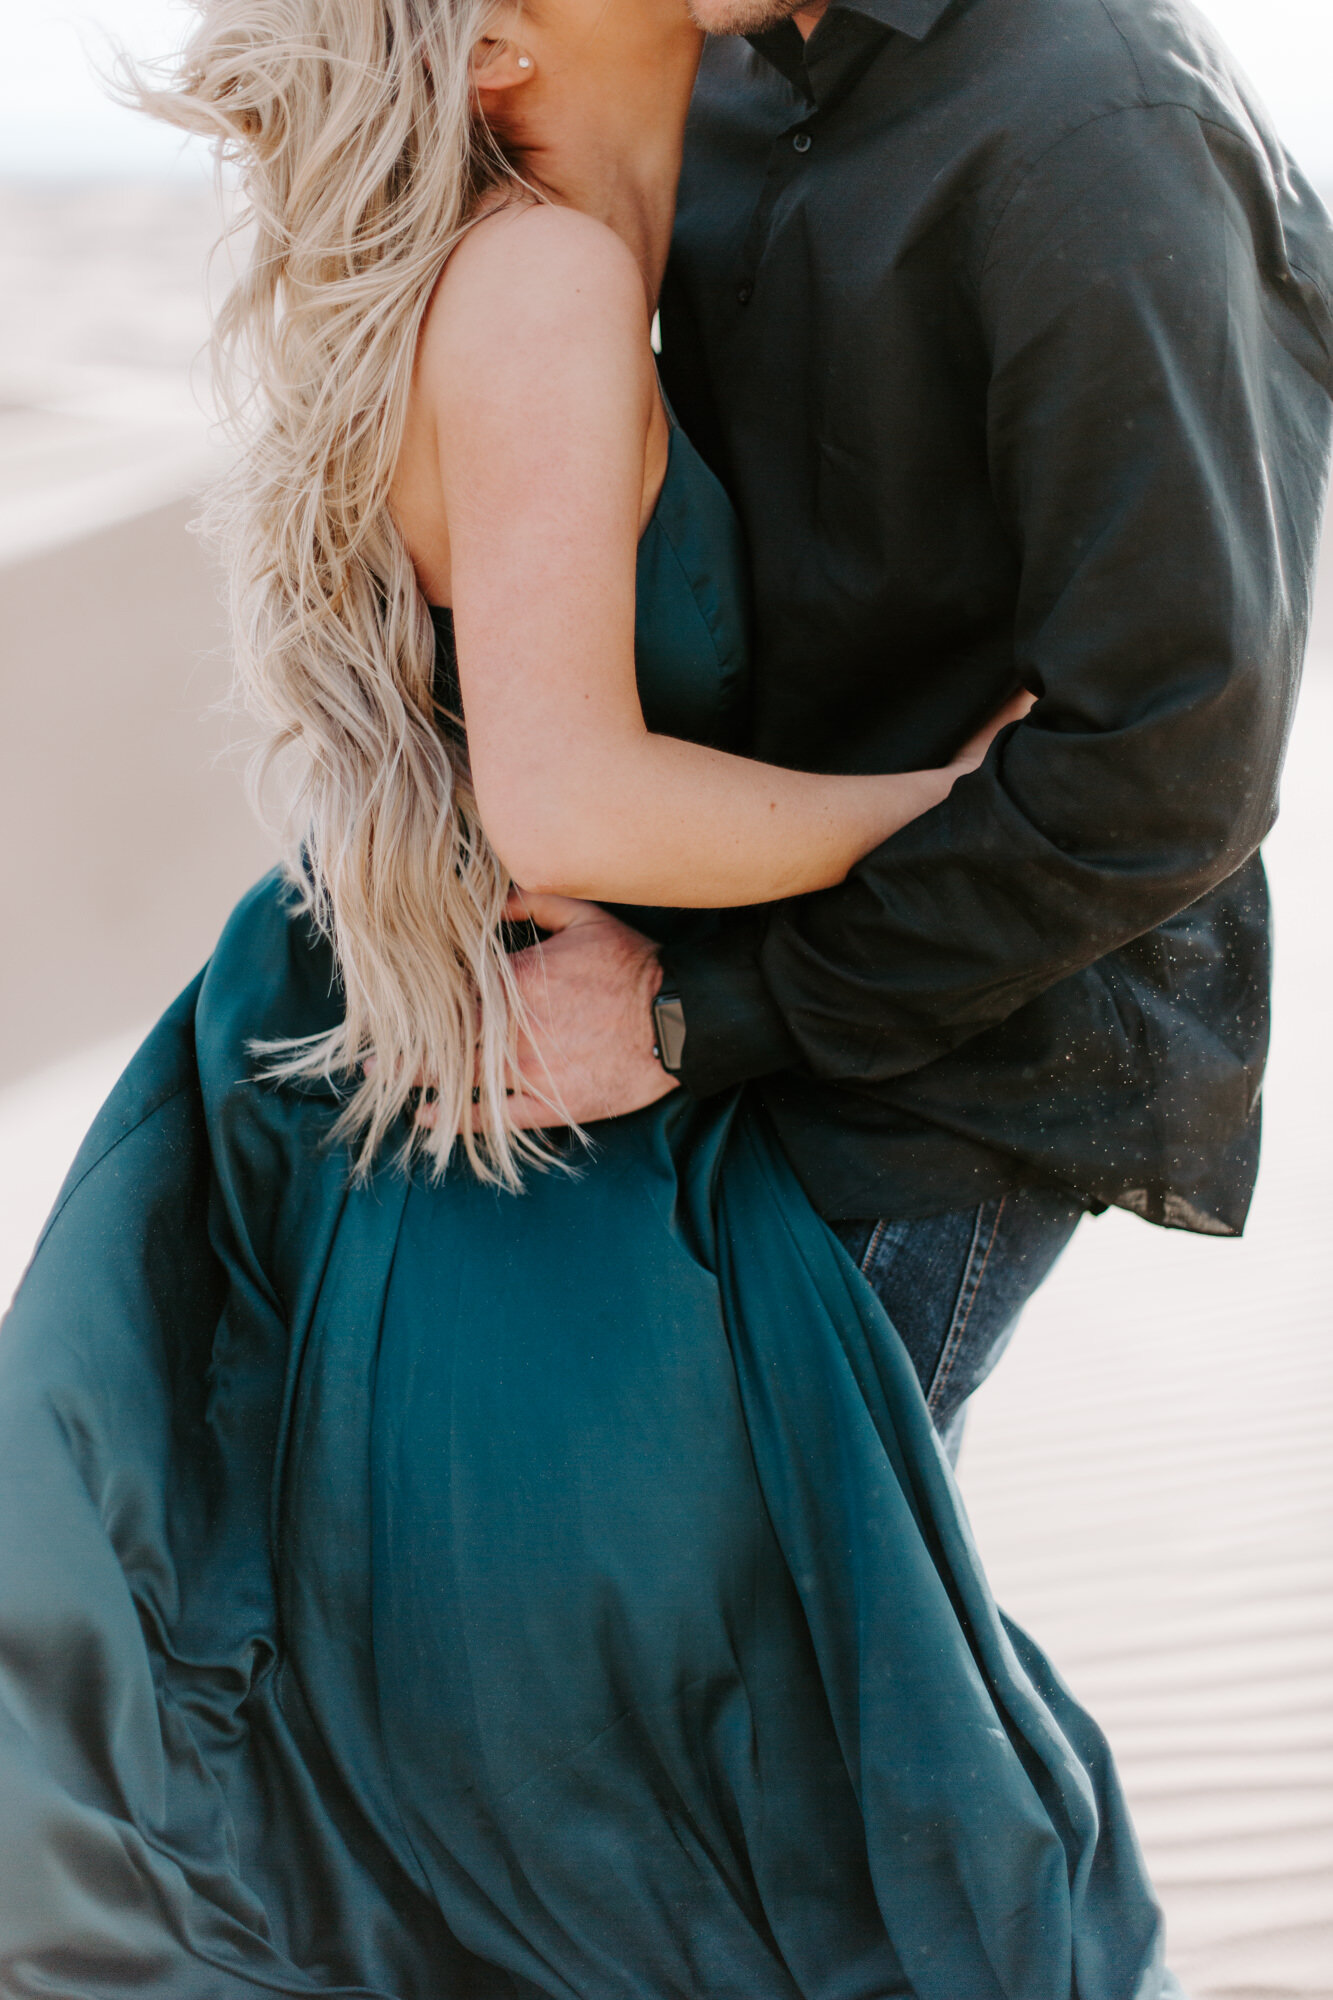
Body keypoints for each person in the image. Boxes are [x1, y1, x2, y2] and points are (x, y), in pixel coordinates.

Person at [3, 0, 1320, 1996]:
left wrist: (738, 975)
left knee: (803, 1741)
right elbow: (559, 778)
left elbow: (1170, 761)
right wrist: (929, 795)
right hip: (612, 1087)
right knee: (776, 1770)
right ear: (497, 48)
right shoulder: (615, 201)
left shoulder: (1071, 117)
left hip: (909, 1048)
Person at [488, 0, 1333, 1460]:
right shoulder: (724, 73)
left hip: (953, 1048)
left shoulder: (1102, 119)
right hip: (684, 1014)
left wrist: (697, 1019)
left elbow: (1167, 763)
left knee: (759, 1626)